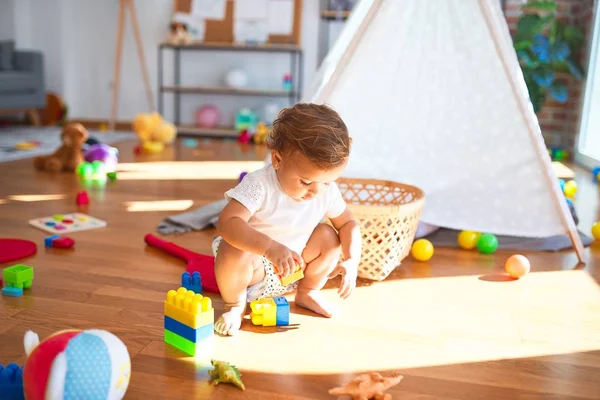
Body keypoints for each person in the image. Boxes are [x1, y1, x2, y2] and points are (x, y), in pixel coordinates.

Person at [213, 103, 362, 335]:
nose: (316, 191)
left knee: (329, 236)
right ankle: (235, 305)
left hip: (295, 268)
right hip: (253, 269)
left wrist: (352, 259)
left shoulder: (325, 191)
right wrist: (270, 248)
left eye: (326, 182)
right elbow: (227, 221)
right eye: (306, 182)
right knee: (232, 246)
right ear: (277, 160)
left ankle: (308, 291)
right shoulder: (259, 185)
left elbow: (349, 224)